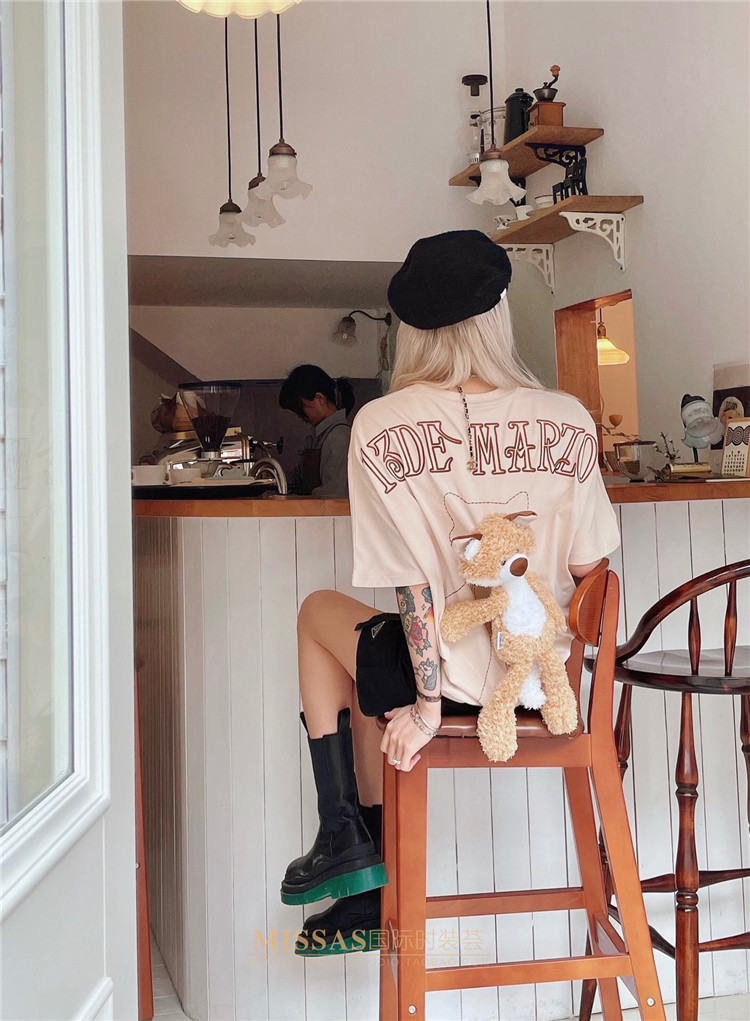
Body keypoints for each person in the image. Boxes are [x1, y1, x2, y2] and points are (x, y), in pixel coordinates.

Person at [281, 230, 621, 956]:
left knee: (320, 618)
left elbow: (413, 588)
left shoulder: (381, 424)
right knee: (368, 661)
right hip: (545, 681)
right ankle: (358, 857)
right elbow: (592, 572)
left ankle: (347, 837)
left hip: (449, 680)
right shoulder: (566, 417)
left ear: (412, 328)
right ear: (498, 314)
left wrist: (429, 708)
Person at [279, 365, 354, 497]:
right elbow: (301, 478)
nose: (300, 416)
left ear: (320, 399)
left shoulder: (339, 437)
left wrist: (296, 501)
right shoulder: (319, 437)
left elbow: (334, 495)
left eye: (301, 408)